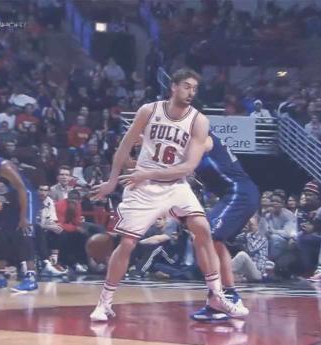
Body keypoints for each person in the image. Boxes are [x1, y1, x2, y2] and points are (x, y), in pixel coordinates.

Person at [89, 68, 245, 321]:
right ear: (173, 86)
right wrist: (112, 180)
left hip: (175, 184)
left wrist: (147, 174)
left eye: (194, 88)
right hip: (144, 186)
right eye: (186, 86)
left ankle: (217, 295)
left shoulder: (199, 121)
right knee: (127, 243)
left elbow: (189, 167)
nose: (191, 92)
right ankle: (104, 302)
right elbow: (125, 145)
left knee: (203, 229)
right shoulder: (149, 110)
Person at [190, 133, 260, 321]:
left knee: (210, 237)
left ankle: (229, 296)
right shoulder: (188, 141)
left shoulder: (204, 136)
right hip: (231, 196)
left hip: (240, 192)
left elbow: (187, 161)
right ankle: (216, 300)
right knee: (203, 237)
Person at [0, 156, 39, 292]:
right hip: (6, 201)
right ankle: (0, 276)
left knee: (24, 234)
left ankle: (31, 277)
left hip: (25, 198)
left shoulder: (4, 166)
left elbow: (22, 189)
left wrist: (23, 217)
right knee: (0, 236)